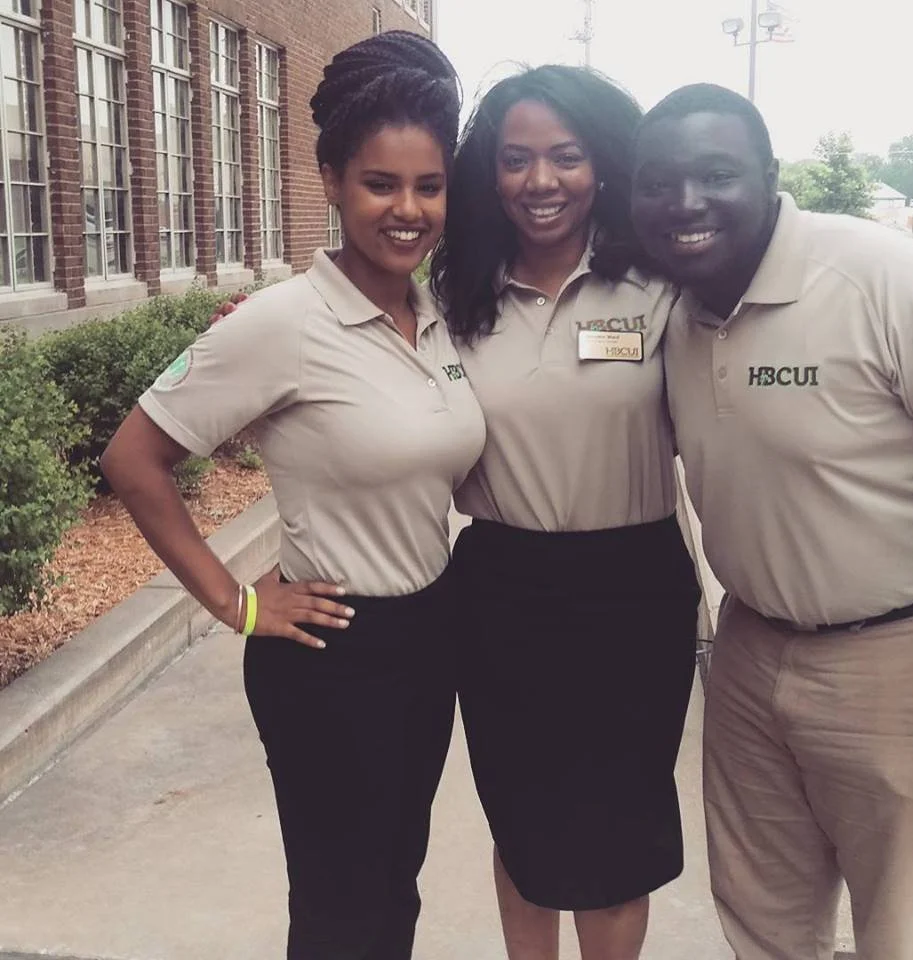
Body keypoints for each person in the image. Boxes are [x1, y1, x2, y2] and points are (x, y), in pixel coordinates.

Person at [101, 31, 486, 960]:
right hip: (331, 654)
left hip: (427, 639)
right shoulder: (284, 323)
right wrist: (235, 603)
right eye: (379, 184)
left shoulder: (433, 315)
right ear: (329, 181)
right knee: (337, 904)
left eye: (428, 186)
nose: (407, 209)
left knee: (395, 884)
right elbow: (133, 459)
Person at [630, 82, 913, 960]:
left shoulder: (883, 280)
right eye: (658, 182)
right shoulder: (674, 313)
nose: (685, 203)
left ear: (770, 177)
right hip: (748, 654)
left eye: (715, 175)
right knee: (762, 913)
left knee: (912, 924)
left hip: (904, 661)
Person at [431, 66, 701, 960]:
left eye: (565, 157)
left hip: (634, 586)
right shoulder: (452, 299)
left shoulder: (656, 289)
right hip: (501, 586)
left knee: (619, 827)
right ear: (488, 173)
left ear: (602, 165)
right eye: (515, 160)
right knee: (523, 814)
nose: (539, 182)